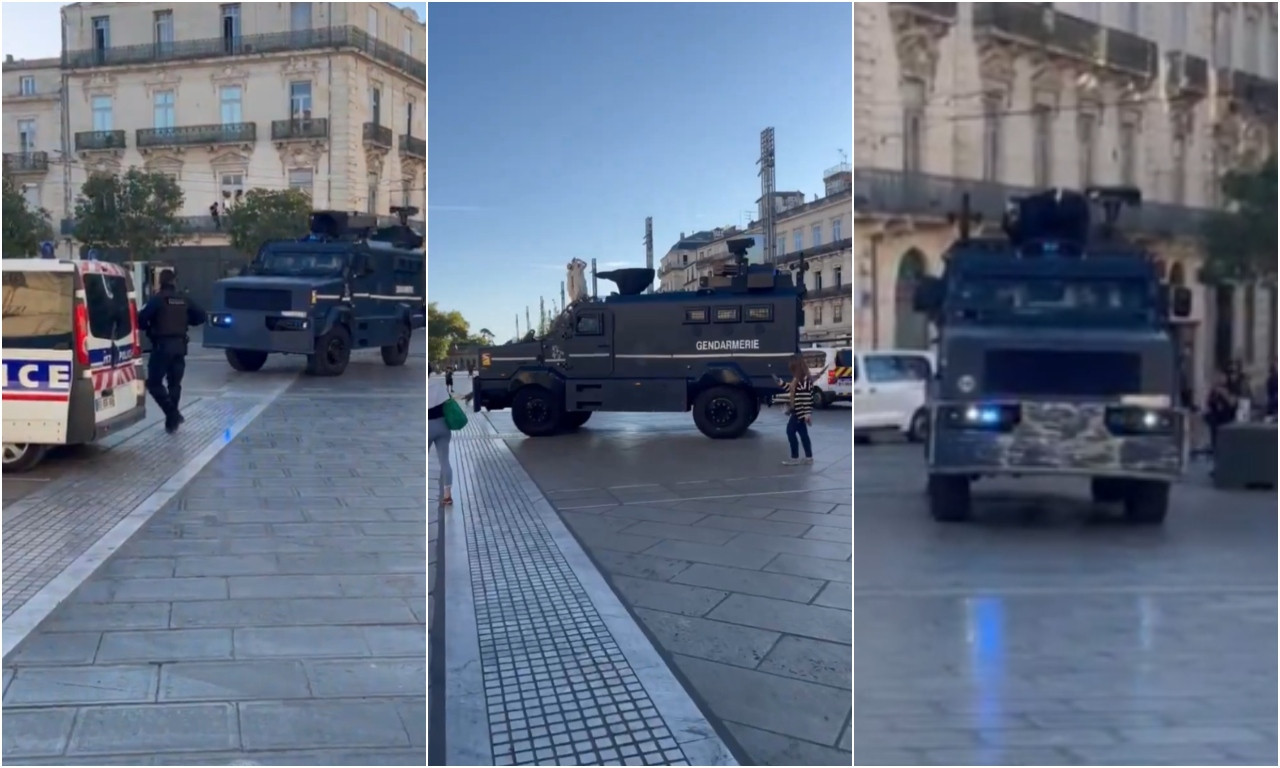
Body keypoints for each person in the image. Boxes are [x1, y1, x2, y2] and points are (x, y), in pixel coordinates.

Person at [137, 271, 206, 433]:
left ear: (160, 282)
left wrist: (149, 326)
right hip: (180, 346)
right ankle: (171, 422)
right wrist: (186, 321)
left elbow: (141, 319)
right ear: (175, 281)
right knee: (175, 384)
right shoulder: (184, 299)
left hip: (162, 346)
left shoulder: (157, 300)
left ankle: (172, 414)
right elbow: (201, 316)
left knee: (154, 383)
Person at [776, 355, 814, 466]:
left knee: (790, 432)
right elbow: (792, 389)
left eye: (792, 368)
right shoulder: (801, 379)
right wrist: (782, 384)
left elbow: (806, 398)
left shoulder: (803, 381)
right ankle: (808, 457)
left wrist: (807, 413)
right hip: (800, 412)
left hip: (799, 412)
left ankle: (795, 457)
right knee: (803, 434)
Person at [428, 375, 454, 505]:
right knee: (445, 461)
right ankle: (447, 495)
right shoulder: (438, 386)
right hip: (443, 425)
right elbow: (448, 403)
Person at [1204, 370, 1238, 456]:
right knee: (1215, 441)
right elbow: (1209, 403)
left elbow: (1232, 402)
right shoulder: (1214, 390)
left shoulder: (1231, 388)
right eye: (1218, 377)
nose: (1219, 379)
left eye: (1221, 376)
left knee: (1226, 441)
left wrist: (1223, 393)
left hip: (1226, 419)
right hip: (1215, 420)